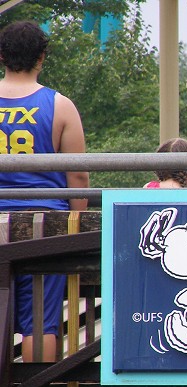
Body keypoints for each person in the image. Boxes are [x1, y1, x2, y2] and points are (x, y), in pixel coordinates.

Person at [0, 21, 89, 362]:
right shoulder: (61, 106)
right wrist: (76, 222)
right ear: (42, 57)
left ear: (2, 56)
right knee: (41, 322)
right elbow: (78, 176)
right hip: (44, 227)